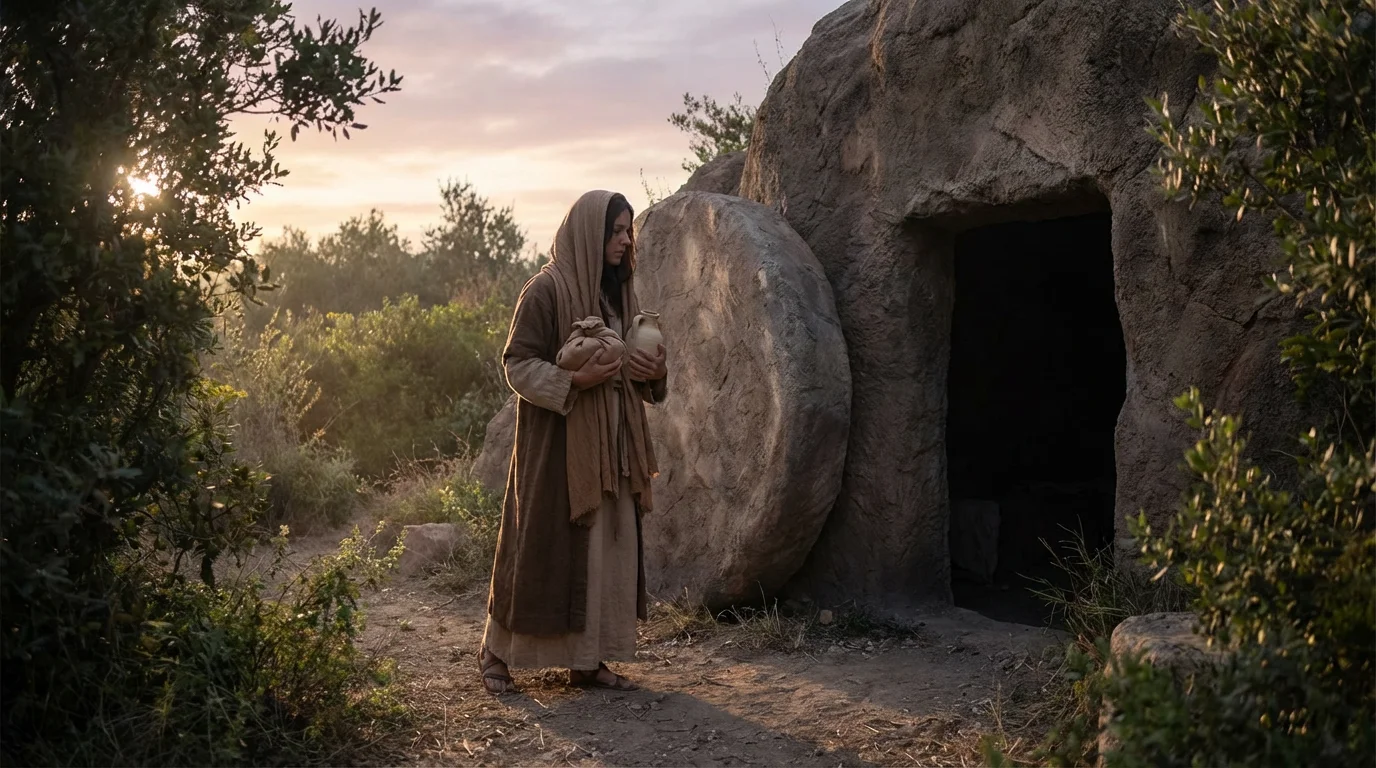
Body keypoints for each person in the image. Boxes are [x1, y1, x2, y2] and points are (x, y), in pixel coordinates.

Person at [478, 190, 668, 695]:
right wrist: (573, 385)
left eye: (628, 231)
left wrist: (655, 373)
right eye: (617, 231)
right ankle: (496, 651)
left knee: (604, 551)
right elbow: (517, 363)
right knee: (538, 546)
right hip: (556, 447)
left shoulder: (617, 293)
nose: (626, 240)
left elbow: (630, 368)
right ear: (590, 233)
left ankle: (587, 661)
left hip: (613, 447)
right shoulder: (545, 289)